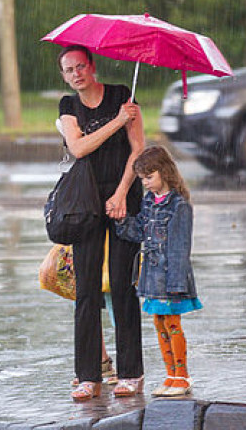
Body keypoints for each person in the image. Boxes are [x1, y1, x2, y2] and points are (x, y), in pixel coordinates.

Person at [57, 45, 145, 401]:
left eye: (81, 66)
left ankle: (131, 372)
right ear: (64, 76)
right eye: (68, 69)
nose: (76, 74)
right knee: (87, 290)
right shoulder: (68, 106)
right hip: (86, 204)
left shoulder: (124, 96)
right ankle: (87, 375)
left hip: (124, 197)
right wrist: (117, 121)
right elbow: (78, 148)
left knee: (123, 288)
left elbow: (138, 149)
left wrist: (123, 193)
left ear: (92, 67)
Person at [116, 146, 202, 398]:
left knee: (172, 323)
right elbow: (140, 231)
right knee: (159, 323)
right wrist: (120, 220)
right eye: (142, 178)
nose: (145, 183)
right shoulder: (149, 202)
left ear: (164, 172)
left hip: (171, 278)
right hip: (152, 277)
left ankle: (182, 376)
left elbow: (180, 247)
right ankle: (169, 374)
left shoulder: (179, 205)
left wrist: (176, 283)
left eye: (149, 177)